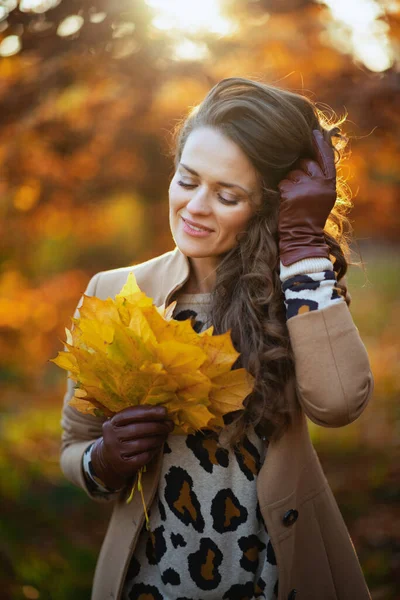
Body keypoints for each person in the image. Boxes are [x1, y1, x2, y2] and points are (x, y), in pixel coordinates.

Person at [59, 77, 374, 600]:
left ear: (268, 207)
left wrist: (298, 245)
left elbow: (339, 403)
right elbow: (74, 448)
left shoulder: (300, 291)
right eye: (187, 180)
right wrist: (103, 460)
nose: (196, 207)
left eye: (228, 195)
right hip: (151, 579)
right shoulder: (113, 291)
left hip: (275, 577)